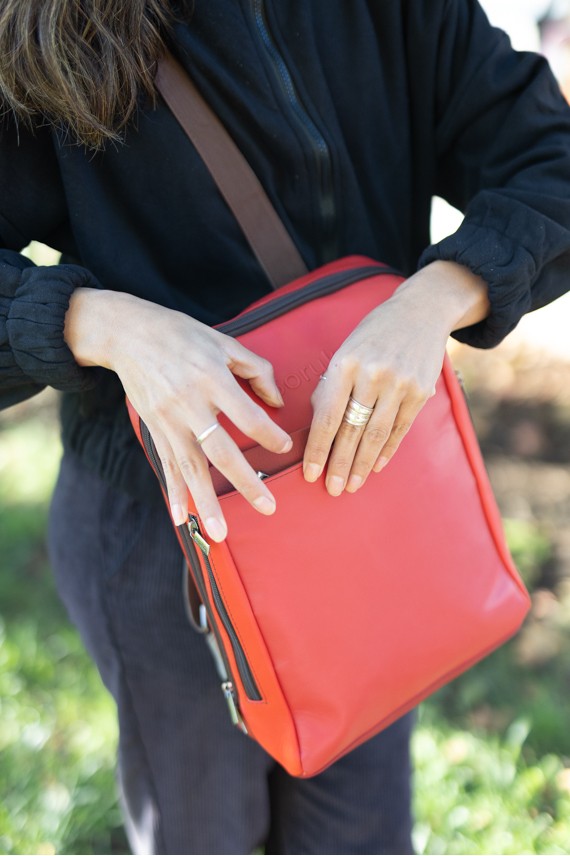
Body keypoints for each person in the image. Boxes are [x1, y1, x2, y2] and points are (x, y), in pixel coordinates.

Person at [1, 1, 569, 853]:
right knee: (203, 836)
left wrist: (433, 298)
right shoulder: (53, 22)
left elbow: (550, 160)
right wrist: (99, 324)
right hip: (169, 533)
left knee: (364, 837)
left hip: (372, 491)